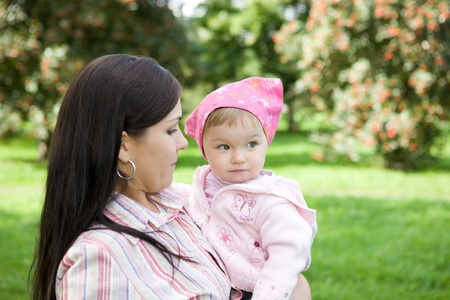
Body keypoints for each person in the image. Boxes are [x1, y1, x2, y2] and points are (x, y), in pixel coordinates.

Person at [29, 54, 312, 299]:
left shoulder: (175, 202)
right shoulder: (102, 260)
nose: (184, 143)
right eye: (170, 130)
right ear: (124, 145)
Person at [184, 77, 318, 299]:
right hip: (219, 287)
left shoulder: (272, 200)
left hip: (261, 289)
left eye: (251, 145)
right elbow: (186, 198)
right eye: (224, 147)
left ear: (267, 142)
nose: (238, 158)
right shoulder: (203, 183)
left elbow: (287, 255)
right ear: (204, 150)